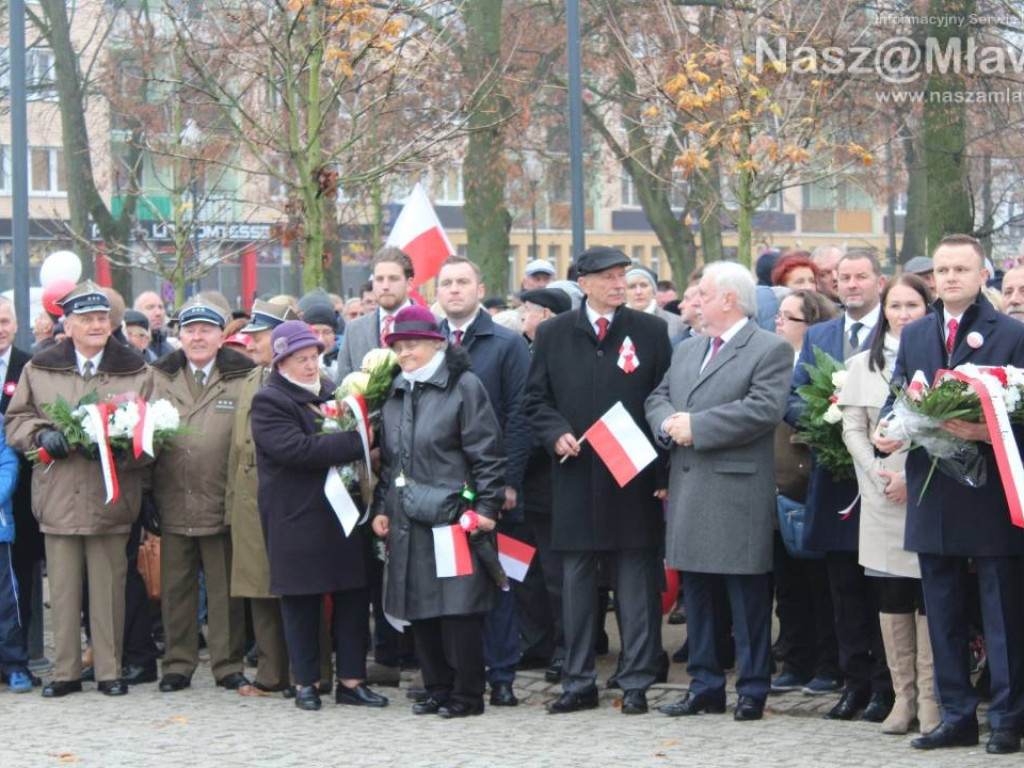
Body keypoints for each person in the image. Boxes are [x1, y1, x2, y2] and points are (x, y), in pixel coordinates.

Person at [875, 234, 1024, 753]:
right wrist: (886, 428)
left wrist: (987, 432)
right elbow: (899, 391)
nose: (951, 278)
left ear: (984, 276)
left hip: (988, 490)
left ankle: (1007, 718)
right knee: (941, 610)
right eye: (942, 270)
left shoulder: (1010, 332)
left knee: (1001, 609)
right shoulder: (916, 333)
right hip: (932, 489)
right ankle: (956, 714)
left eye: (962, 269)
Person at [526, 246, 672, 716]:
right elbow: (535, 401)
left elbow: (664, 398)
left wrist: (663, 472)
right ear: (583, 283)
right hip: (575, 475)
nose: (618, 284)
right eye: (608, 277)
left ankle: (636, 682)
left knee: (634, 583)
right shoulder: (552, 333)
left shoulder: (650, 330)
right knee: (576, 586)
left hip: (633, 474)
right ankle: (578, 681)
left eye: (623, 276)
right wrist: (555, 434)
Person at [647, 261, 792, 722]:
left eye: (703, 294)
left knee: (747, 599)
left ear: (729, 299)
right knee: (701, 596)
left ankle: (752, 689)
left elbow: (763, 410)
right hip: (689, 488)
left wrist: (698, 427)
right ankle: (704, 686)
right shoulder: (689, 349)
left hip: (735, 491)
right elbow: (658, 396)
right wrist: (669, 424)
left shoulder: (768, 349)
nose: (694, 303)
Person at [6, 281, 153, 697]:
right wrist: (40, 435)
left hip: (112, 495)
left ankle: (110, 670)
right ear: (66, 326)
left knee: (109, 589)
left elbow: (153, 432)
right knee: (66, 590)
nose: (95, 325)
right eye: (85, 319)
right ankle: (66, 672)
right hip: (58, 496)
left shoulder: (137, 370)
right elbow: (16, 421)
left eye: (101, 318)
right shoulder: (39, 367)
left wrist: (122, 447)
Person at [371, 305, 505, 718]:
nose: (405, 352)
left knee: (458, 607)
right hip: (407, 515)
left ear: (436, 343)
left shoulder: (464, 386)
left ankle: (467, 693)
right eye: (398, 345)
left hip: (453, 516)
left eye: (412, 344)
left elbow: (487, 452)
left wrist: (486, 507)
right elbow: (391, 462)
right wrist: (381, 507)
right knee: (419, 605)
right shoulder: (397, 391)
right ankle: (438, 687)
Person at [251, 321, 388, 712]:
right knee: (302, 603)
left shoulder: (335, 392)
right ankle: (305, 682)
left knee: (351, 598)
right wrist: (360, 441)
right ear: (281, 363)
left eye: (314, 357)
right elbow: (297, 450)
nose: (311, 366)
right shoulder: (270, 401)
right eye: (301, 359)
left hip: (343, 516)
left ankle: (351, 680)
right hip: (296, 517)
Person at [785, 252, 894, 722]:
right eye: (843, 278)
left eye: (860, 277)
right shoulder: (821, 335)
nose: (851, 285)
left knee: (883, 590)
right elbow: (793, 396)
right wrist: (826, 422)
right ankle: (854, 683)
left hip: (886, 477)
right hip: (834, 478)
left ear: (879, 282)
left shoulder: (899, 330)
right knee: (843, 589)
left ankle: (889, 687)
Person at [837, 274, 938, 736]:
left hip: (927, 489)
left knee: (930, 597)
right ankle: (904, 699)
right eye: (895, 306)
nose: (902, 314)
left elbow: (945, 430)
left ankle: (934, 699)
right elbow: (852, 426)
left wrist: (907, 478)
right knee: (892, 595)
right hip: (880, 495)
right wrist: (877, 473)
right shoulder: (863, 363)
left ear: (927, 310)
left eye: (912, 305)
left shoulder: (941, 360)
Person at [436, 255, 531, 707]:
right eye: (446, 283)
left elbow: (519, 414)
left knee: (499, 578)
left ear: (480, 287)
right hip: (441, 487)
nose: (454, 289)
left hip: (493, 485)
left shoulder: (507, 343)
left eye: (462, 282)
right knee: (451, 579)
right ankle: (457, 674)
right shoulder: (425, 341)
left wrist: (508, 481)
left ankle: (503, 672)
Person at [148, 300, 254, 694]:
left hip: (222, 500)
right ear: (179, 335)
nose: (197, 337)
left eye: (206, 330)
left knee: (225, 590)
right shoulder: (157, 376)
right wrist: (145, 495)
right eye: (190, 330)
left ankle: (228, 665)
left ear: (221, 335)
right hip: (171, 497)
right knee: (175, 589)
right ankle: (178, 663)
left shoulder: (242, 377)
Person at [334, 246, 417, 684]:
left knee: (414, 554)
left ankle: (418, 652)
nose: (383, 286)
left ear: (408, 283)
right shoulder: (356, 330)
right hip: (367, 461)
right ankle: (384, 652)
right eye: (378, 280)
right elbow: (345, 391)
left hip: (415, 459)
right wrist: (361, 442)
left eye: (392, 279)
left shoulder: (425, 326)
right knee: (374, 558)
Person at [769, 290, 843, 697]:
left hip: (809, 483)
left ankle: (827, 664)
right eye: (778, 316)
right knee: (788, 585)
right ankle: (796, 662)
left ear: (811, 326)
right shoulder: (773, 363)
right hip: (776, 487)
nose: (778, 324)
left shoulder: (818, 365)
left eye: (788, 318)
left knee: (820, 584)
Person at [0, 298, 43, 684]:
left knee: (18, 583)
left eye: (5, 321)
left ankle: (20, 657)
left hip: (21, 492)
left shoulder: (30, 365)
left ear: (16, 325)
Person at [626, 265, 686, 339]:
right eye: (632, 286)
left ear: (653, 290)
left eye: (644, 285)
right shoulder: (614, 323)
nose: (638, 292)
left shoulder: (678, 323)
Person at [133, 291, 176, 358]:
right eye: (150, 307)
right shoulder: (130, 348)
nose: (158, 313)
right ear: (137, 311)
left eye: (161, 307)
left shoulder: (171, 351)